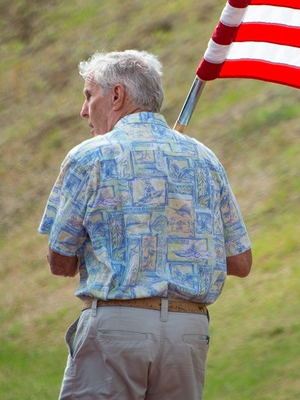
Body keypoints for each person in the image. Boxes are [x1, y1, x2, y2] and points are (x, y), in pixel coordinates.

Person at [39, 50, 252, 399]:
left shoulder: (89, 156)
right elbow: (241, 262)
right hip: (189, 334)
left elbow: (59, 262)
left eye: (88, 95)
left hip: (116, 330)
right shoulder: (205, 158)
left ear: (117, 96)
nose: (83, 110)